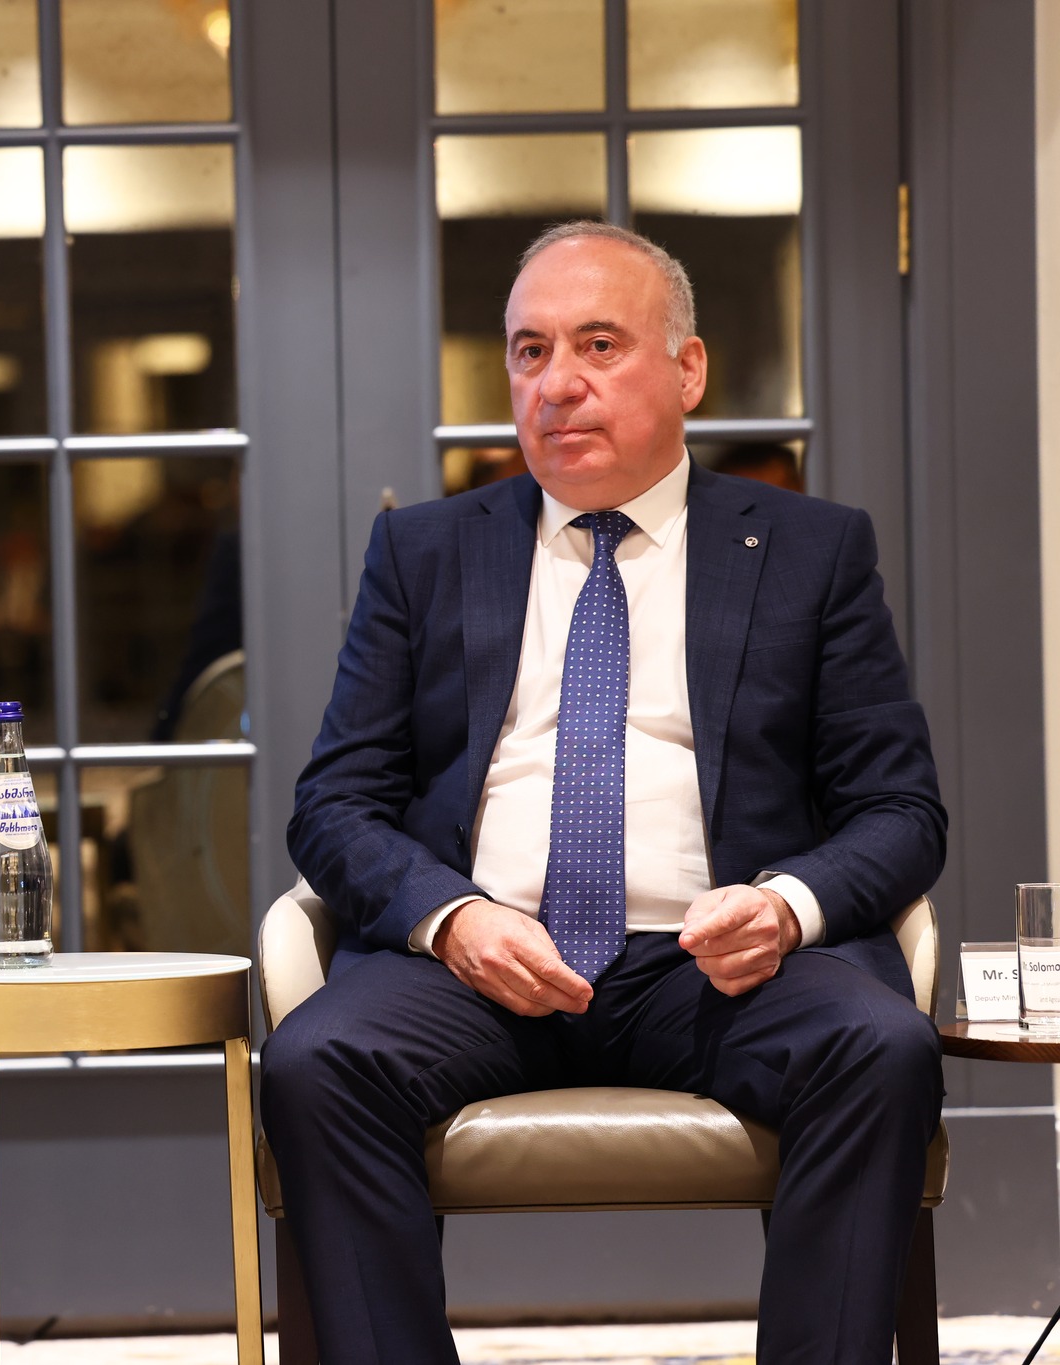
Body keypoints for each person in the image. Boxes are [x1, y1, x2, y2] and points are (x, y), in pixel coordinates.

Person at [261, 222, 945, 1364]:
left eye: (597, 345)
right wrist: (452, 918)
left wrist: (782, 906)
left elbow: (900, 811)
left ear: (687, 369)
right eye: (529, 351)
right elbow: (333, 803)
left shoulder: (808, 550)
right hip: (482, 964)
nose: (556, 383)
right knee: (317, 1062)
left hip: (715, 968)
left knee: (879, 1048)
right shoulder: (423, 552)